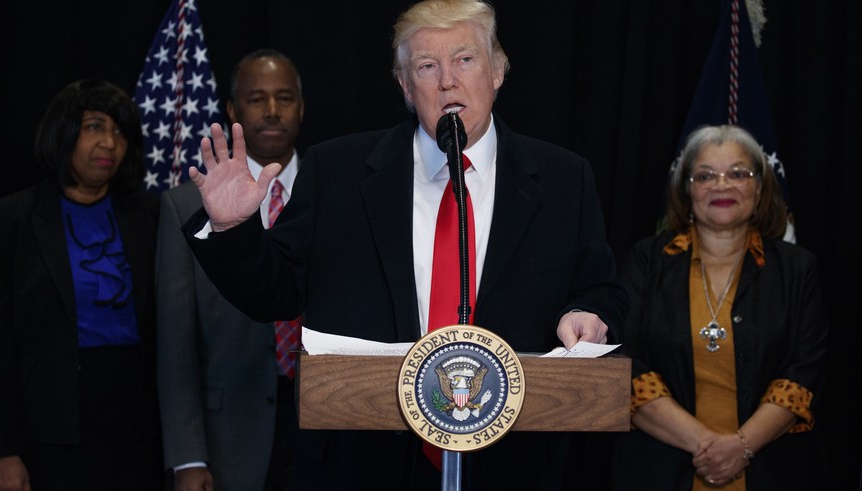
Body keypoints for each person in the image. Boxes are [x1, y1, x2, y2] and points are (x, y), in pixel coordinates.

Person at [183, 0, 628, 489]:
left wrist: (586, 311)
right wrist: (231, 229)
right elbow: (276, 292)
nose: (447, 81)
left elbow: (601, 289)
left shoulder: (565, 179)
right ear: (405, 86)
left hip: (511, 463)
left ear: (497, 71)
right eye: (426, 66)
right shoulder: (339, 172)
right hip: (362, 462)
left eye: (465, 59)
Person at [611, 124, 830, 490]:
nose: (722, 185)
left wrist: (742, 447)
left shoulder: (797, 268)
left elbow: (804, 373)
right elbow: (624, 364)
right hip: (659, 471)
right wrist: (709, 447)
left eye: (738, 174)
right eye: (705, 175)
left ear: (760, 189)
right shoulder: (647, 260)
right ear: (687, 188)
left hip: (772, 472)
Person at [0, 79, 164, 490]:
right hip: (49, 432)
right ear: (63, 132)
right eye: (94, 127)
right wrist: (2, 450)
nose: (109, 143)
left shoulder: (152, 215)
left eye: (120, 132)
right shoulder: (11, 219)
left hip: (137, 429)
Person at [156, 49, 304, 491]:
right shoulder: (185, 205)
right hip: (228, 436)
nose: (273, 111)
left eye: (285, 98)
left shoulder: (338, 191)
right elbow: (175, 341)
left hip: (323, 429)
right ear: (232, 109)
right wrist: (187, 457)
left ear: (303, 107)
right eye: (257, 99)